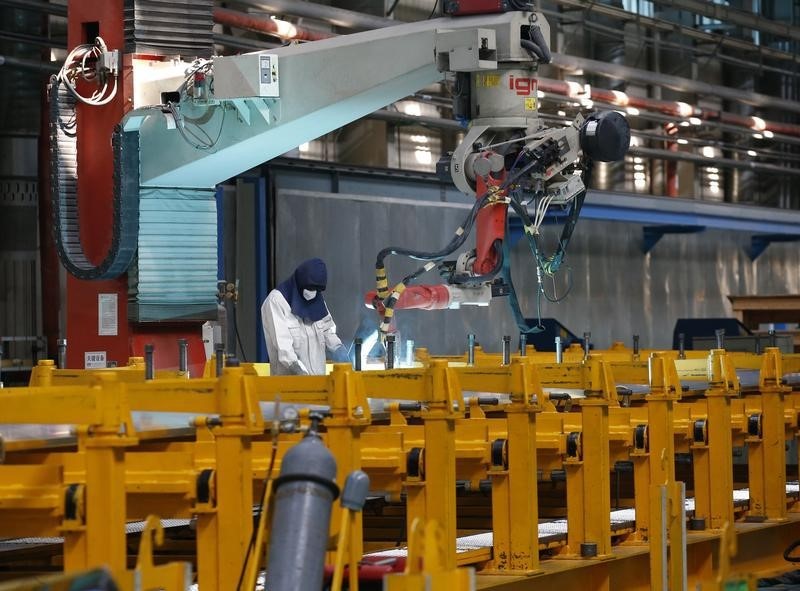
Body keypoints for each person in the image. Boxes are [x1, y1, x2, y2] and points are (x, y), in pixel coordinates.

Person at [261, 258, 349, 375]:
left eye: (317, 290)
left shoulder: (316, 299)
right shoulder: (276, 302)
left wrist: (340, 351)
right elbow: (284, 348)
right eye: (310, 288)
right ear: (299, 282)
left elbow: (327, 331)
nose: (313, 293)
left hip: (319, 385)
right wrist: (299, 371)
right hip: (289, 387)